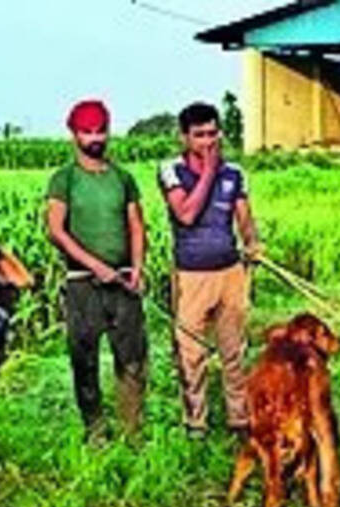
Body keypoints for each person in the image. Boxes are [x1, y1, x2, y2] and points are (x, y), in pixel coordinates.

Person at [158, 102, 262, 439]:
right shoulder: (171, 170)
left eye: (213, 133)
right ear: (184, 137)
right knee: (191, 354)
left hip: (230, 272)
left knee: (234, 351)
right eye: (199, 135)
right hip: (191, 275)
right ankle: (196, 423)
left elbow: (244, 218)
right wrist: (207, 171)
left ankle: (239, 419)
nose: (208, 141)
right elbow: (186, 214)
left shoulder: (235, 174)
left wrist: (252, 242)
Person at [45, 99, 147, 439]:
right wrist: (96, 266)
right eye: (87, 132)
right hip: (83, 285)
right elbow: (56, 230)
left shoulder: (123, 178)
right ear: (74, 135)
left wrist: (138, 268)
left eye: (100, 130)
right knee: (84, 361)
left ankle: (132, 431)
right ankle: (95, 431)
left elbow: (136, 226)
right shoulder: (64, 180)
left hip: (124, 283)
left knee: (132, 359)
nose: (95, 138)